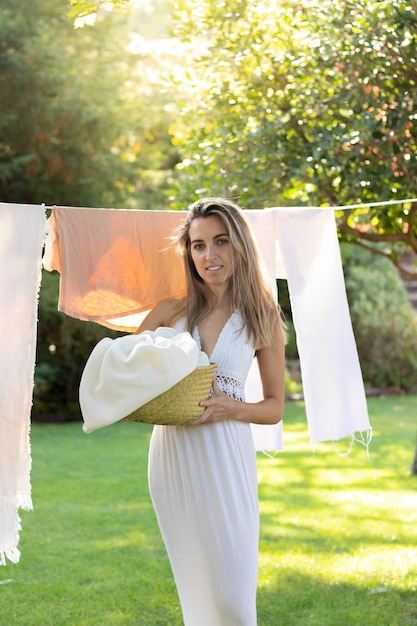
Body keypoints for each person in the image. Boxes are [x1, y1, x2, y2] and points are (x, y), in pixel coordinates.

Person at [135, 197, 286, 625]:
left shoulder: (261, 317)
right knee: (198, 590)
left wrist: (231, 408)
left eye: (220, 242)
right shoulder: (168, 312)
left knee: (233, 597)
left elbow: (274, 408)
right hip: (174, 456)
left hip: (227, 455)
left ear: (240, 245)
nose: (209, 255)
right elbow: (127, 376)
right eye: (198, 245)